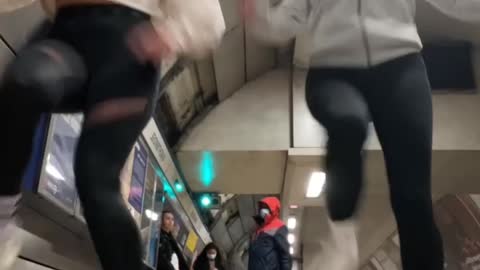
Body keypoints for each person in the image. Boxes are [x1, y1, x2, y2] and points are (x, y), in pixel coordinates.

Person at [241, 0, 480, 269]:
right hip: (333, 72)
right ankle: (341, 232)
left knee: (412, 194)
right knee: (348, 122)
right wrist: (256, 11)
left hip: (400, 67)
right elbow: (280, 23)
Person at [0, 1, 225, 270]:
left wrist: (172, 34)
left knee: (95, 178)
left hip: (128, 56)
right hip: (65, 36)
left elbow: (212, 20)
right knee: (24, 84)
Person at [249, 197, 292, 270]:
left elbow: (285, 255)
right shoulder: (259, 228)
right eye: (261, 207)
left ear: (274, 209)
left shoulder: (279, 227)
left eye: (266, 207)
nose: (262, 210)